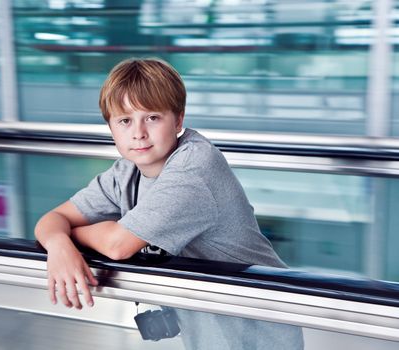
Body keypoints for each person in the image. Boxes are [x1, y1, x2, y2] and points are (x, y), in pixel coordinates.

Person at [34, 57, 304, 349]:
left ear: (178, 119)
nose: (138, 133)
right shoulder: (127, 172)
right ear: (111, 128)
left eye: (152, 117)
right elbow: (53, 218)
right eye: (125, 120)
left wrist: (73, 233)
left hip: (258, 331)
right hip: (208, 329)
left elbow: (117, 245)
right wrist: (59, 246)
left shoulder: (194, 166)